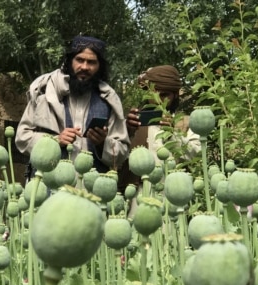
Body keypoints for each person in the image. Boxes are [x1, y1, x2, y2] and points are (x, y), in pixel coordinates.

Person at [15, 35, 131, 179]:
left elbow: (122, 153)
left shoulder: (109, 100)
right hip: (48, 186)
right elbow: (22, 138)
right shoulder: (45, 92)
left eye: (91, 62)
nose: (84, 67)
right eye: (80, 60)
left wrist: (102, 144)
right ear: (70, 61)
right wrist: (55, 140)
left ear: (100, 66)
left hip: (90, 193)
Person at [119, 65, 201, 191]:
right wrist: (127, 131)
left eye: (164, 95)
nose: (157, 100)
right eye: (153, 93)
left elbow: (196, 155)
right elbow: (114, 157)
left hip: (174, 193)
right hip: (138, 195)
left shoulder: (186, 123)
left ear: (174, 95)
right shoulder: (134, 122)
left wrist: (172, 135)